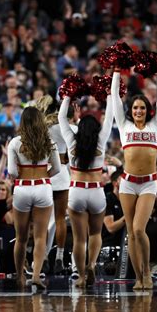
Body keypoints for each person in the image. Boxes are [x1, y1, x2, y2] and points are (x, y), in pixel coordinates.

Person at [111, 67, 157, 290]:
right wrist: (116, 70)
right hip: (127, 183)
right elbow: (114, 96)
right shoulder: (124, 127)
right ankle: (139, 277)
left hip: (148, 184)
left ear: (148, 110)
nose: (138, 111)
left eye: (142, 107)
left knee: (137, 229)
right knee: (131, 235)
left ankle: (146, 272)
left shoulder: (155, 126)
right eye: (135, 107)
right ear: (130, 110)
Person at [58, 90, 113, 288]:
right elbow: (111, 115)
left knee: (79, 240)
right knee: (95, 234)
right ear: (96, 129)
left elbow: (60, 119)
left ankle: (81, 276)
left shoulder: (72, 142)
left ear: (79, 129)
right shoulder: (101, 141)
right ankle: (91, 264)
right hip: (96, 192)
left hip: (76, 192)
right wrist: (108, 94)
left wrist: (67, 96)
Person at [7, 106, 60, 289]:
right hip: (43, 189)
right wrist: (43, 176)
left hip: (22, 189)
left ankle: (20, 276)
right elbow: (57, 169)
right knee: (40, 237)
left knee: (20, 238)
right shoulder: (49, 142)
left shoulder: (14, 143)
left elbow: (12, 172)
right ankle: (36, 276)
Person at [38, 95, 75, 274]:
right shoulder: (64, 127)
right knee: (60, 218)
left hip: (44, 173)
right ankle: (59, 257)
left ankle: (43, 256)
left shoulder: (41, 128)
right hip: (61, 173)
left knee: (43, 219)